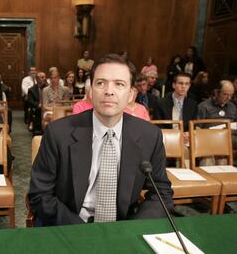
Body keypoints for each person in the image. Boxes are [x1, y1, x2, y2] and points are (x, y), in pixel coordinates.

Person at [28, 53, 173, 226]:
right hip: (69, 223)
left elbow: (161, 193)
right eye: (100, 83)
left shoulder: (150, 136)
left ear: (131, 94)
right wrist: (82, 232)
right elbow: (40, 194)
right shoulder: (58, 133)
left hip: (123, 227)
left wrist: (132, 229)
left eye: (119, 84)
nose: (109, 91)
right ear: (91, 91)